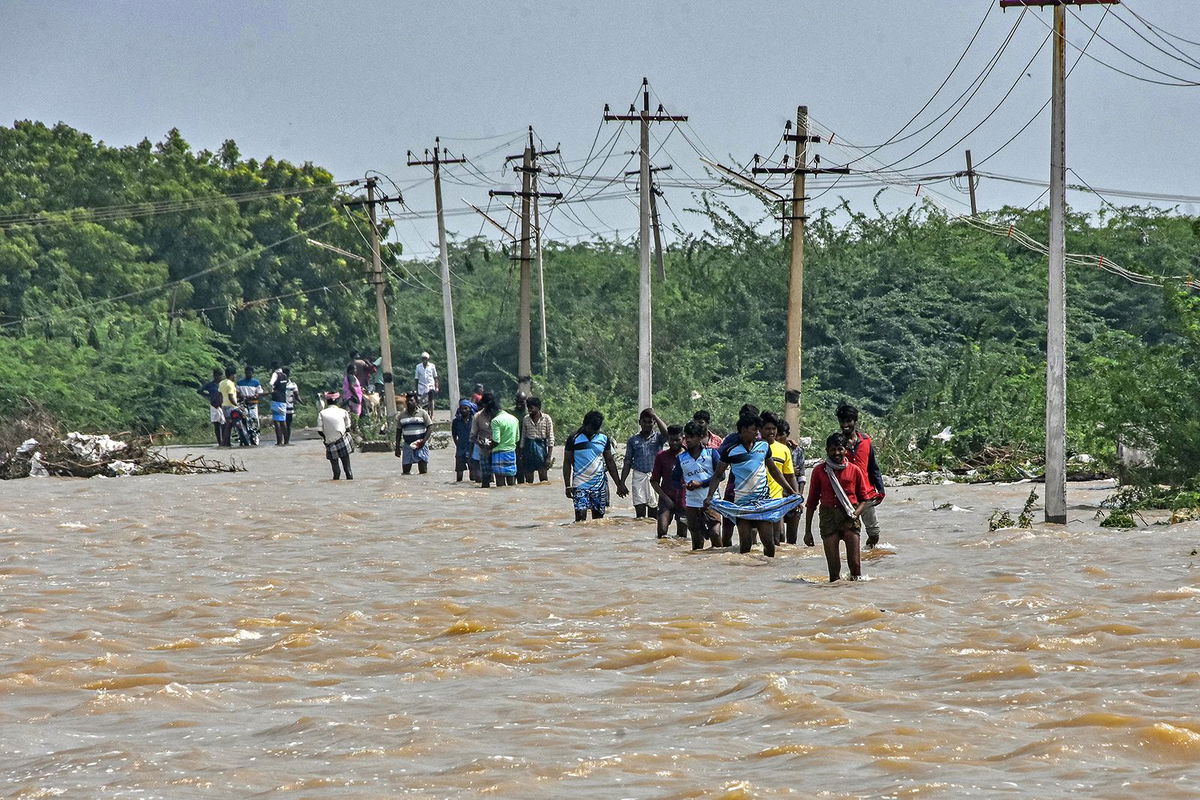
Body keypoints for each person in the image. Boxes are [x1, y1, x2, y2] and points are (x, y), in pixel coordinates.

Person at [705, 413, 800, 558]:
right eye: (753, 430)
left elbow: (774, 470)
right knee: (745, 544)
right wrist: (710, 496)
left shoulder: (763, 447)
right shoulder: (730, 451)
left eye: (757, 430)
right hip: (742, 504)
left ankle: (768, 571)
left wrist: (792, 491)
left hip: (763, 502)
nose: (757, 433)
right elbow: (718, 475)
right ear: (742, 430)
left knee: (769, 543)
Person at [805, 432, 876, 582]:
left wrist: (855, 514)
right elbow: (811, 503)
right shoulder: (819, 471)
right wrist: (807, 532)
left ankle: (854, 598)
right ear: (826, 450)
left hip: (850, 518)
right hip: (828, 519)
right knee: (834, 571)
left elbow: (865, 499)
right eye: (832, 449)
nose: (836, 453)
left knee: (856, 567)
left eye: (840, 449)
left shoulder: (854, 470)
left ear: (846, 450)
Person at [563, 410, 628, 521]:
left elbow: (610, 462)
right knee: (580, 518)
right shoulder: (573, 438)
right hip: (580, 484)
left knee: (598, 521)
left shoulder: (603, 438)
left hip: (599, 485)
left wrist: (619, 484)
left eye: (596, 429)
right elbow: (567, 462)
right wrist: (567, 485)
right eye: (592, 428)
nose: (594, 431)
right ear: (585, 424)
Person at [837, 403, 886, 548]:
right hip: (846, 496)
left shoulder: (866, 441)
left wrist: (881, 490)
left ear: (855, 421)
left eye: (848, 421)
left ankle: (868, 553)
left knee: (874, 533)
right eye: (842, 421)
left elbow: (873, 466)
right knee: (850, 532)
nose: (845, 425)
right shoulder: (837, 443)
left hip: (867, 494)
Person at [676, 420, 722, 550]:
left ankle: (720, 560)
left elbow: (721, 476)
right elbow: (675, 479)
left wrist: (701, 483)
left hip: (712, 500)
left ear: (701, 437)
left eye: (691, 437)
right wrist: (684, 485)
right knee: (696, 540)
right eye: (686, 437)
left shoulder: (712, 454)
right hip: (692, 503)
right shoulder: (681, 458)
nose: (688, 440)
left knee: (715, 533)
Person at [760, 412, 800, 545]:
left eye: (773, 429)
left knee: (779, 538)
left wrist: (796, 496)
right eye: (767, 428)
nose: (771, 432)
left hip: (777, 500)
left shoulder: (784, 450)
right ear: (760, 429)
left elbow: (790, 476)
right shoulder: (755, 447)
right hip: (758, 500)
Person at [620, 408, 668, 519]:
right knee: (640, 511)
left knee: (653, 511)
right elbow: (627, 462)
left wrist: (655, 416)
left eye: (650, 422)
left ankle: (651, 534)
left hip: (654, 476)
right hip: (638, 476)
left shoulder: (658, 438)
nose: (647, 425)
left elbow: (667, 433)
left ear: (654, 423)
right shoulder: (633, 440)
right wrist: (622, 483)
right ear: (640, 422)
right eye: (644, 422)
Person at [649, 424, 688, 539]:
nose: (674, 443)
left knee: (682, 537)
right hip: (666, 498)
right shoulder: (661, 456)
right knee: (662, 532)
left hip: (684, 500)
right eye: (671, 440)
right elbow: (654, 481)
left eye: (677, 440)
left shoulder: (689, 455)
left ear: (683, 438)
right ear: (668, 439)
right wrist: (665, 498)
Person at [776, 418, 807, 544]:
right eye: (776, 434)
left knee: (792, 539)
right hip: (778, 497)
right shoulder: (769, 449)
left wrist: (798, 497)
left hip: (793, 497)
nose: (778, 438)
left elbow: (802, 477)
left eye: (781, 435)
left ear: (787, 435)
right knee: (780, 535)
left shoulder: (797, 451)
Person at [394, 392, 434, 475]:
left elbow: (430, 427)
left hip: (421, 445)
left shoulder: (423, 413)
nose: (409, 402)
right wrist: (397, 447)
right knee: (405, 472)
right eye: (407, 401)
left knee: (423, 471)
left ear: (416, 402)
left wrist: (424, 441)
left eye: (411, 400)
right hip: (408, 445)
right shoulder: (401, 415)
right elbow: (398, 432)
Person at [520, 396, 555, 483]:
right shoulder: (526, 419)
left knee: (543, 479)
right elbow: (523, 437)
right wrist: (521, 454)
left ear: (538, 407)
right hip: (528, 449)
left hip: (541, 449)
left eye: (531, 408)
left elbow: (550, 438)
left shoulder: (546, 418)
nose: (529, 410)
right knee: (528, 480)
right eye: (528, 408)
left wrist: (548, 457)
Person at [318, 398, 354, 480]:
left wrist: (326, 438)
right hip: (343, 441)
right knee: (348, 469)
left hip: (330, 443)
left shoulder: (322, 413)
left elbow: (320, 431)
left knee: (336, 471)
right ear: (337, 402)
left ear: (327, 402)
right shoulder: (343, 411)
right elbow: (348, 428)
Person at [489, 398, 520, 487]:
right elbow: (517, 438)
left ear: (492, 410)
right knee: (511, 483)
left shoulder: (495, 421)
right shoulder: (514, 419)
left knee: (500, 484)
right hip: (511, 453)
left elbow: (496, 440)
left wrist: (488, 447)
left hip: (499, 453)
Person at [471, 393, 496, 488]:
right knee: (485, 478)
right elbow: (473, 436)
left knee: (500, 479)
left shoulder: (499, 415)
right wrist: (479, 442)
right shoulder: (477, 416)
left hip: (498, 450)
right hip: (484, 450)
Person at [451, 399, 478, 482]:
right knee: (459, 474)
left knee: (473, 476)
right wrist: (457, 444)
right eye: (462, 408)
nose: (463, 410)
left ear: (470, 409)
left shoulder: (474, 420)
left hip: (471, 449)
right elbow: (454, 435)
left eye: (466, 408)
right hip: (460, 449)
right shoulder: (456, 421)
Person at [236, 366, 263, 443]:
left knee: (254, 418)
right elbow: (237, 393)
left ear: (252, 373)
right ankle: (242, 435)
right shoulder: (240, 383)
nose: (248, 374)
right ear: (245, 373)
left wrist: (255, 396)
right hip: (243, 404)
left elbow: (259, 392)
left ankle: (256, 433)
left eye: (250, 373)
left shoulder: (256, 382)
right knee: (243, 419)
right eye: (247, 373)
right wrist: (243, 396)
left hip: (253, 404)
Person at [198, 368, 223, 445]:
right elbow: (199, 391)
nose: (219, 377)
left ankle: (225, 440)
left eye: (220, 376)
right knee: (216, 424)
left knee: (224, 424)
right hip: (214, 405)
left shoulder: (223, 384)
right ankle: (219, 442)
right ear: (214, 376)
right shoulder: (210, 385)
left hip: (223, 405)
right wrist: (208, 395)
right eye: (217, 375)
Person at [218, 367, 239, 447]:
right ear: (231, 375)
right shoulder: (230, 384)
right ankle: (224, 442)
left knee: (228, 424)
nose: (235, 377)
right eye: (234, 375)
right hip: (231, 406)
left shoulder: (222, 383)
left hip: (224, 406)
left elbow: (219, 395)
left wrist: (221, 404)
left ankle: (227, 442)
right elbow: (231, 397)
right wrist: (237, 405)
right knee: (229, 424)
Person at [269, 370, 289, 445]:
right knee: (283, 421)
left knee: (276, 421)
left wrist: (269, 392)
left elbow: (271, 383)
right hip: (283, 401)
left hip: (276, 400)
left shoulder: (275, 374)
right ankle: (286, 441)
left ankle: (279, 441)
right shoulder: (284, 376)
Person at [513, 392, 529, 484]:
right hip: (513, 443)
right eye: (517, 402)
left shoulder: (528, 413)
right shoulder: (510, 412)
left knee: (522, 469)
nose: (519, 404)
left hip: (525, 444)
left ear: (525, 402)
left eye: (521, 402)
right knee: (513, 468)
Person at [283, 368, 301, 445]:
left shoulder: (292, 384)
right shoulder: (293, 385)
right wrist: (301, 402)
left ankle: (285, 440)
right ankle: (286, 441)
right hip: (286, 406)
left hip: (287, 406)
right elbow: (297, 396)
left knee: (285, 424)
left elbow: (296, 396)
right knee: (287, 424)